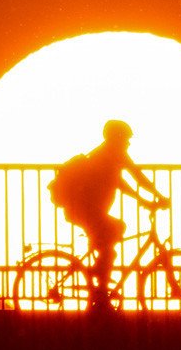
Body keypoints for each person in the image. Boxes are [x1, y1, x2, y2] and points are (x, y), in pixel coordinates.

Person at [55, 120, 169, 311]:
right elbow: (131, 179)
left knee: (114, 234)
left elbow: (129, 180)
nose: (128, 143)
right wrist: (155, 198)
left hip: (88, 210)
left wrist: (149, 198)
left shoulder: (109, 154)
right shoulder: (108, 155)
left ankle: (98, 280)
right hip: (84, 210)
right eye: (126, 139)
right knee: (110, 246)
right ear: (117, 138)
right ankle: (99, 291)